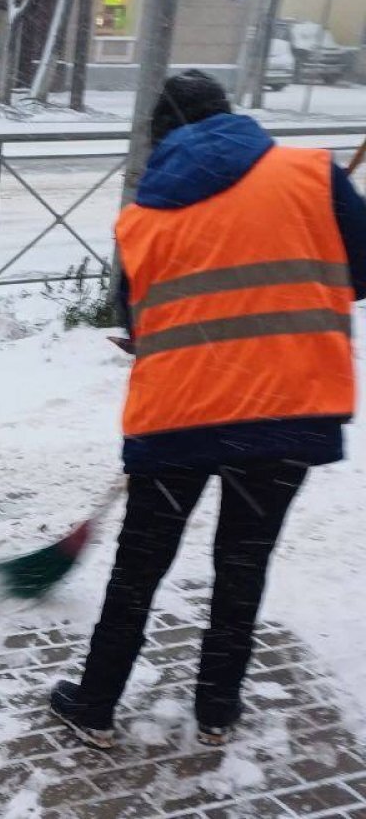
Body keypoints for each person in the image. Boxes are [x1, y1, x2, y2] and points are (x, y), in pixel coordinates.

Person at [50, 70, 366, 749]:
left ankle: (96, 703)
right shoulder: (312, 176)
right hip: (284, 412)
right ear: (230, 114)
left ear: (160, 136)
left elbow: (139, 323)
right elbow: (362, 274)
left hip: (179, 419)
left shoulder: (141, 217)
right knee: (243, 562)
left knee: (140, 566)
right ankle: (218, 707)